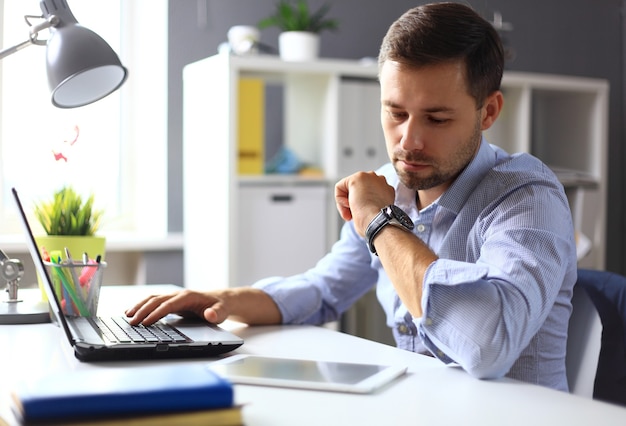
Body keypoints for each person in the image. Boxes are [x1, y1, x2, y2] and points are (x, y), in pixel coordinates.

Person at [126, 2, 577, 391]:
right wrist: (219, 300)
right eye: (395, 112)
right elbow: (324, 291)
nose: (409, 141)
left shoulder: (526, 195)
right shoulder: (387, 186)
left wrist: (381, 221)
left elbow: (488, 345)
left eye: (436, 119)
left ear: (489, 111)